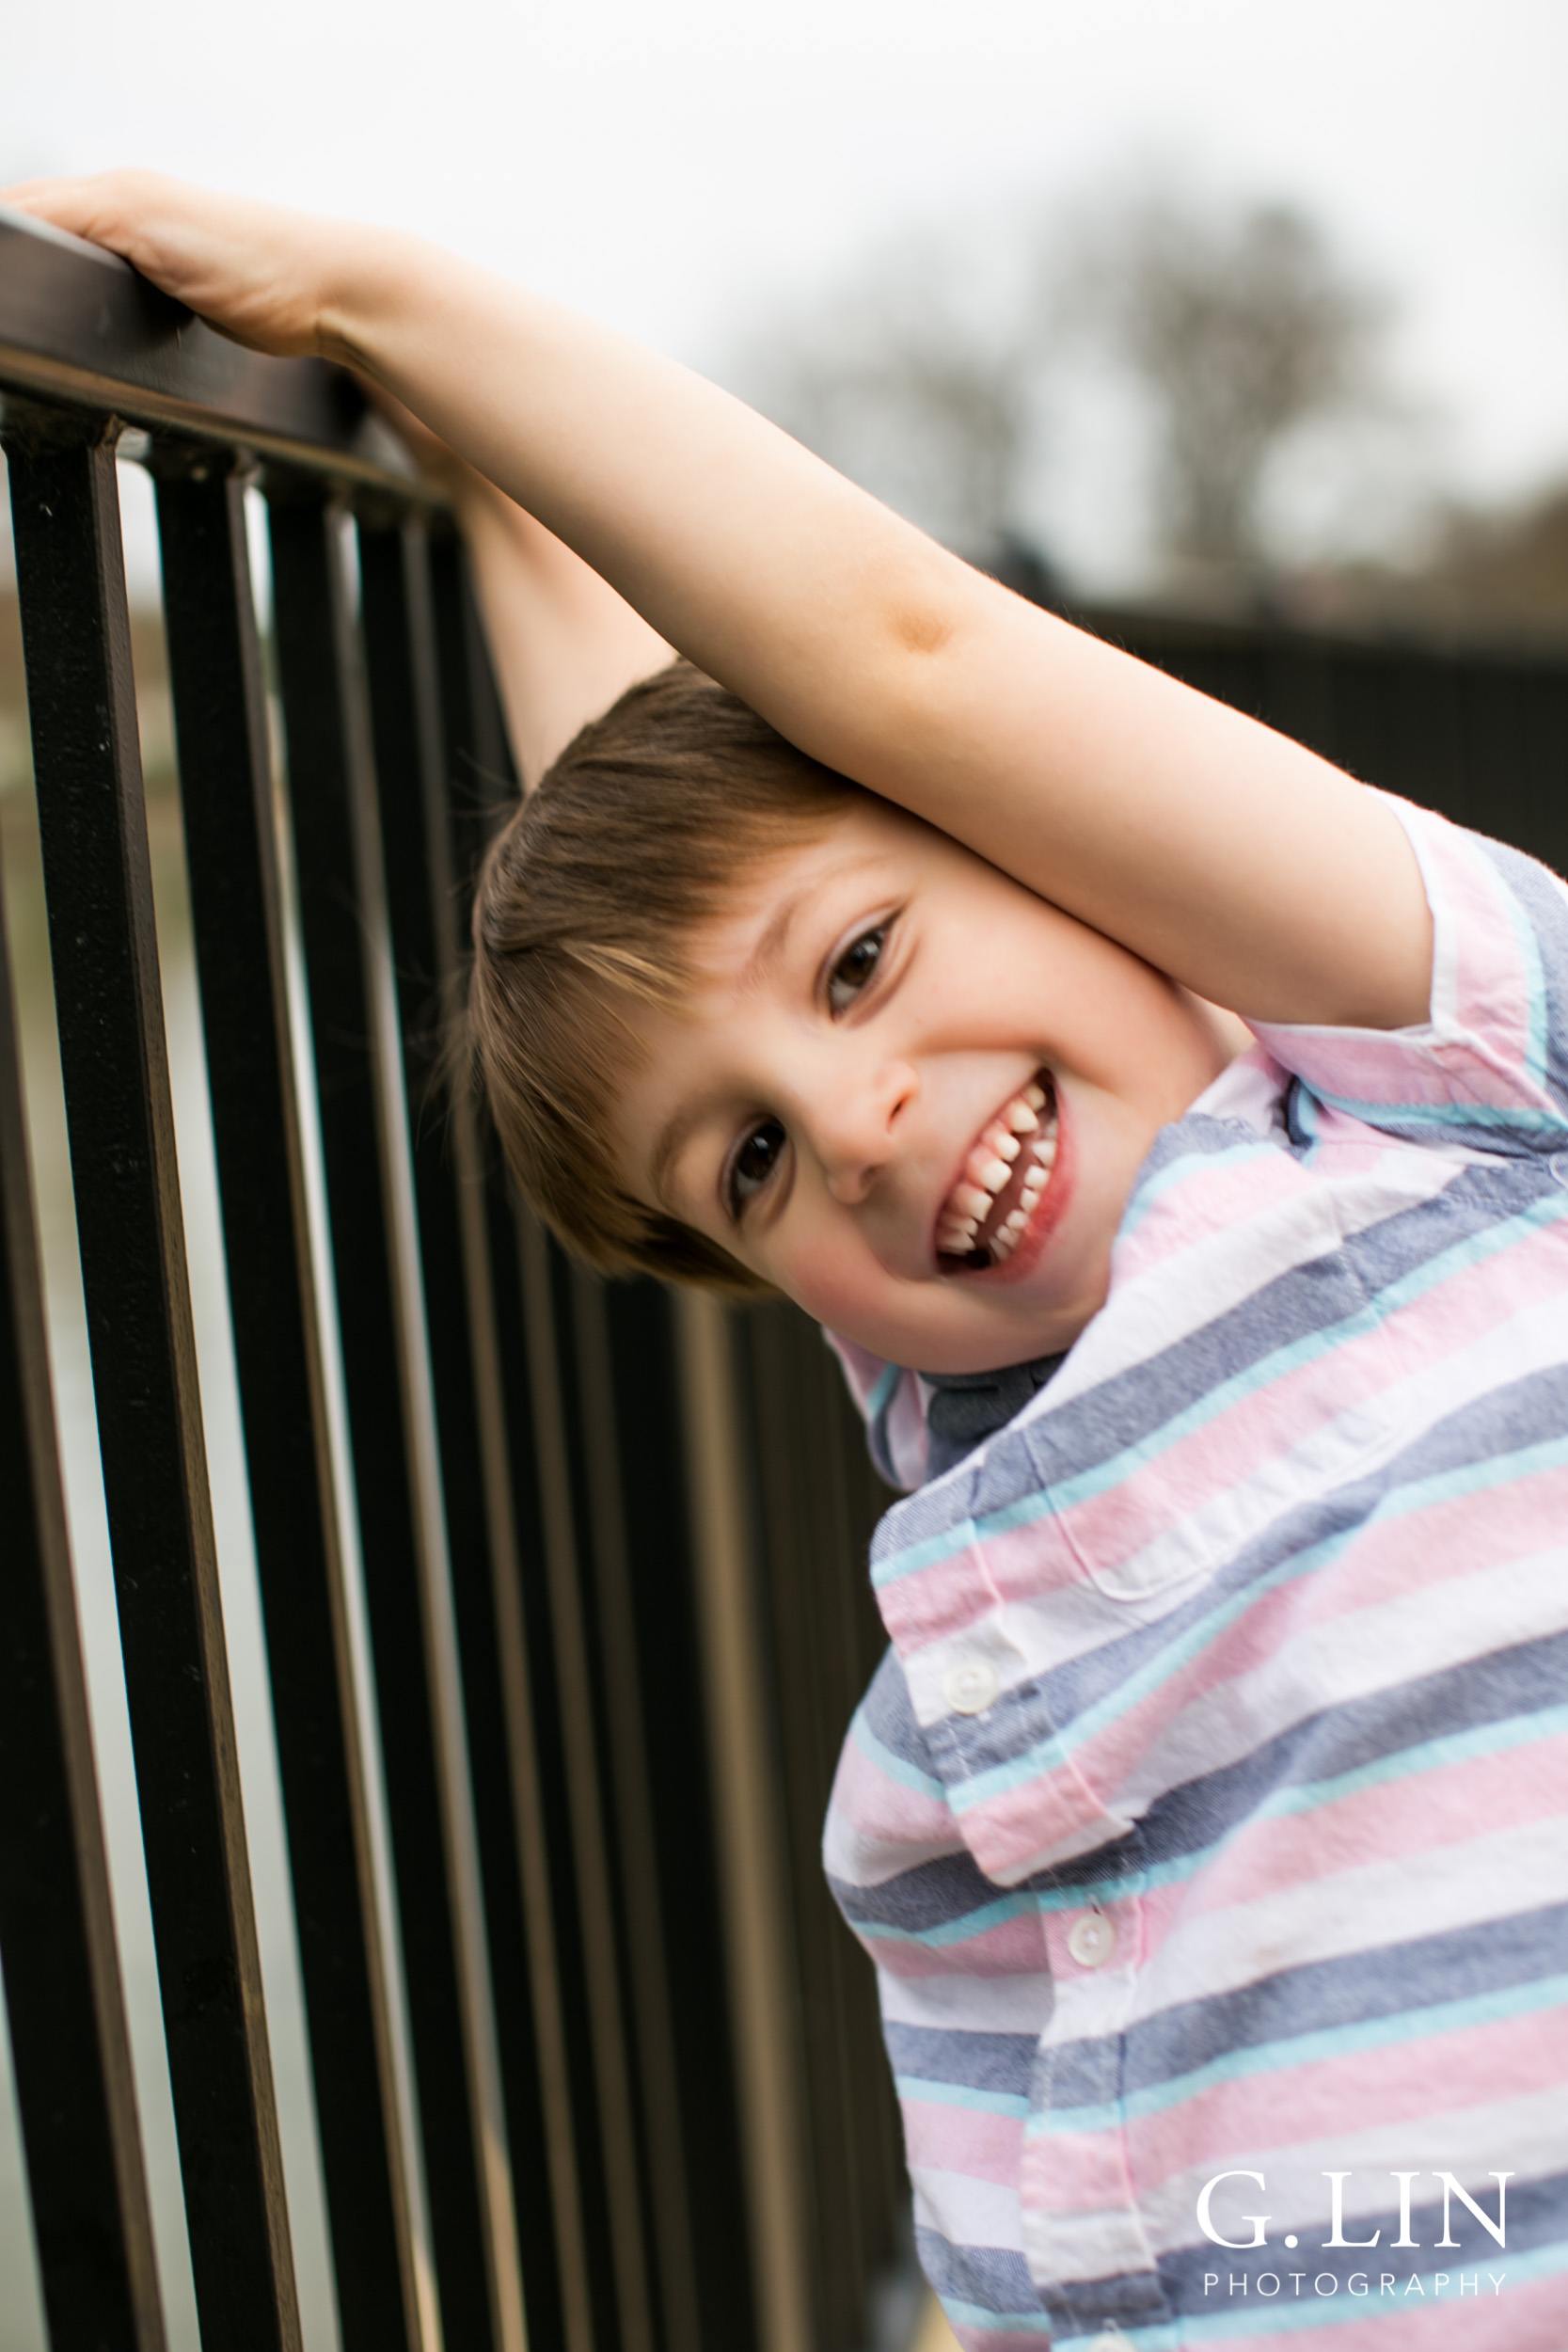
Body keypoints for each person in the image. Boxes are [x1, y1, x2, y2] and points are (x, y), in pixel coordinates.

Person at [9, 171, 1564, 2350]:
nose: (855, 1125)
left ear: (1045, 822)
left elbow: (899, 666)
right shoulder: (964, 1373)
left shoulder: (1455, 1083)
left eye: (861, 960)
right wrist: (500, 509)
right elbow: (661, 888)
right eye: (748, 1165)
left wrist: (389, 299)